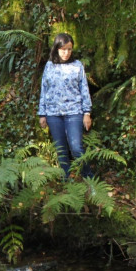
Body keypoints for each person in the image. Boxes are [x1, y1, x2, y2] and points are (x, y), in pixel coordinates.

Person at [37, 33, 93, 178]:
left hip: (74, 112)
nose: (66, 53)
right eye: (63, 49)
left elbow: (84, 89)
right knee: (61, 150)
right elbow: (44, 89)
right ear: (56, 49)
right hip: (53, 114)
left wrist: (87, 113)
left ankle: (90, 180)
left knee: (76, 148)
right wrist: (42, 114)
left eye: (69, 49)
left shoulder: (77, 66)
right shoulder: (49, 66)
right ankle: (66, 184)